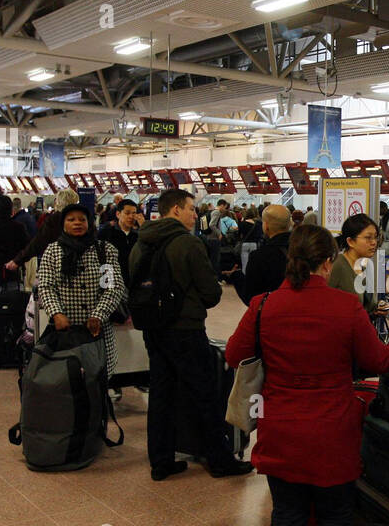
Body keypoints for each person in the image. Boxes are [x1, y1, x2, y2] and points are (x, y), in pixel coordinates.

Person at [225, 225, 389, 526]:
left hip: (280, 429)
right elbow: (377, 361)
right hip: (332, 431)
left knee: (287, 515)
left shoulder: (263, 305)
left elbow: (233, 354)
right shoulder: (345, 307)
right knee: (333, 519)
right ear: (328, 261)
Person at [129, 188, 253, 481]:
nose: (195, 215)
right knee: (204, 394)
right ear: (175, 211)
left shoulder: (141, 243)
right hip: (185, 329)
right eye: (191, 209)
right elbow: (211, 293)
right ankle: (220, 460)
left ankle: (161, 460)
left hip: (153, 328)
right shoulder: (187, 244)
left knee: (161, 394)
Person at [36, 202, 127, 378]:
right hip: (64, 331)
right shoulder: (52, 251)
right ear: (63, 224)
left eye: (82, 220)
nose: (77, 223)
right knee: (66, 381)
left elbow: (112, 287)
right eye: (71, 220)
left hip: (97, 331)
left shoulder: (104, 250)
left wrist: (98, 315)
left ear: (89, 223)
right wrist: (56, 313)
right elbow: (46, 287)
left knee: (98, 380)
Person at [228, 203, 291, 305]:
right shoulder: (302, 251)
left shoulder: (259, 257)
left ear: (266, 226)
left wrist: (236, 276)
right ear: (289, 225)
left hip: (270, 312)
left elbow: (251, 299)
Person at [7, 188, 77, 273]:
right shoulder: (82, 220)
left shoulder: (54, 220)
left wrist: (18, 260)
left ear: (58, 202)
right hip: (78, 264)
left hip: (56, 264)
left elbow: (38, 242)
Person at [329, 213, 381, 317]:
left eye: (375, 237)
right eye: (368, 238)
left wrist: (377, 308)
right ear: (350, 241)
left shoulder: (365, 266)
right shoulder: (337, 265)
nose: (374, 242)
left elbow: (365, 305)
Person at [99, 198, 141, 288]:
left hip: (135, 285)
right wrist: (106, 285)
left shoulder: (138, 235)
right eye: (127, 213)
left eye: (134, 213)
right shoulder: (106, 234)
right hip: (112, 284)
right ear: (118, 214)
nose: (131, 217)